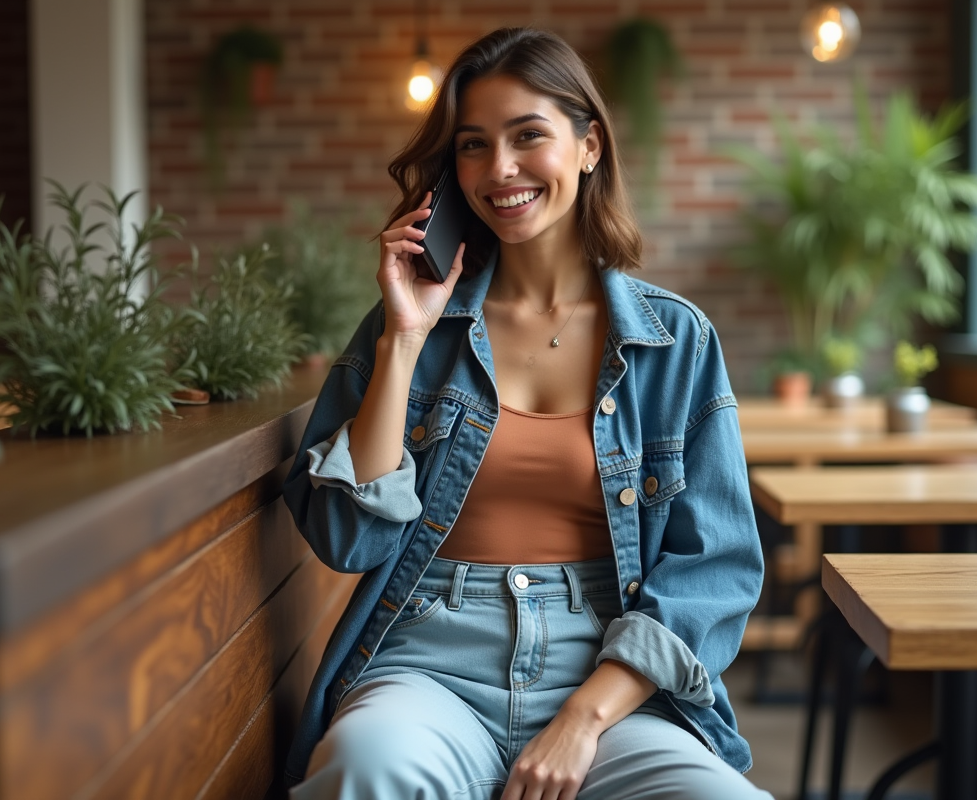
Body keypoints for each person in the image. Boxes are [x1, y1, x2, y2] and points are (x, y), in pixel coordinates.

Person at [283, 26, 770, 800]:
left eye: (528, 136)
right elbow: (348, 537)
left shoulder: (675, 340)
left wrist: (582, 717)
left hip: (609, 675)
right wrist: (404, 340)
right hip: (428, 662)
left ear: (589, 146)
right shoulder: (406, 328)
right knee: (365, 771)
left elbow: (715, 570)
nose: (499, 169)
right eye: (473, 145)